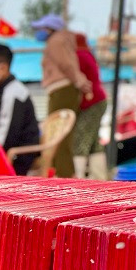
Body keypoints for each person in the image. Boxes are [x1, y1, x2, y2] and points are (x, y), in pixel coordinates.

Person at [31, 14, 92, 178]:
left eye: (41, 28)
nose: (38, 32)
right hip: (62, 89)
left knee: (59, 135)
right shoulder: (59, 41)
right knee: (59, 134)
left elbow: (67, 65)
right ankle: (60, 172)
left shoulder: (56, 41)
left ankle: (65, 174)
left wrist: (79, 82)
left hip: (62, 90)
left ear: (50, 29)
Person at [0, 44, 40, 175]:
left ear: (3, 67)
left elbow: (3, 140)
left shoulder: (12, 94)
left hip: (18, 158)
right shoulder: (9, 90)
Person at [72, 33, 109, 179]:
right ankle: (100, 178)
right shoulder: (86, 53)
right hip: (98, 101)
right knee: (93, 142)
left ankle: (78, 177)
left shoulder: (79, 55)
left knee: (81, 139)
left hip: (91, 103)